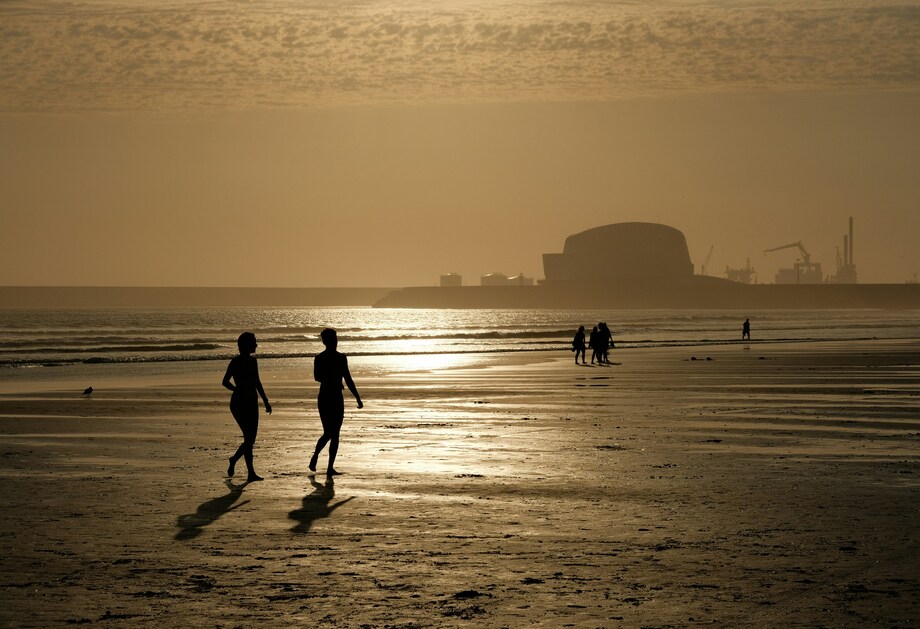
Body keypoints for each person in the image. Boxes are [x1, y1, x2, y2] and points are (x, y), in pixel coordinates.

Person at [309, 328, 363, 476]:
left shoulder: (338, 357)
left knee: (335, 433)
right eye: (333, 338)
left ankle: (329, 467)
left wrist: (357, 396)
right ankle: (316, 456)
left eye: (336, 338)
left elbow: (348, 378)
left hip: (333, 397)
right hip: (328, 396)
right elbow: (317, 377)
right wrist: (334, 380)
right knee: (329, 432)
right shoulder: (323, 358)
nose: (336, 340)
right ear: (327, 341)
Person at [222, 332, 271, 482]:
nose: (256, 345)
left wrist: (265, 400)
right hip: (241, 402)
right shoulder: (241, 362)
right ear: (247, 344)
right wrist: (237, 390)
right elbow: (225, 381)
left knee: (250, 438)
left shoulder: (246, 361)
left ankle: (250, 473)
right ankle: (234, 460)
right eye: (254, 342)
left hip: (247, 401)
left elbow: (256, 382)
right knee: (249, 439)